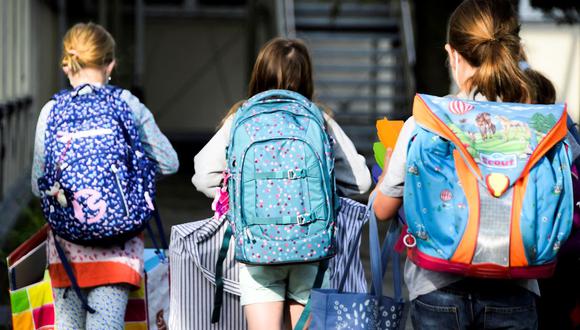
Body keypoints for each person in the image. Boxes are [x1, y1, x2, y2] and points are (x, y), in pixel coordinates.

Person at [372, 0, 580, 329]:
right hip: (516, 286)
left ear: (453, 55)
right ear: (514, 50)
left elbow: (381, 210)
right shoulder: (546, 126)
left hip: (437, 287)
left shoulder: (426, 123)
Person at [192, 37, 371, 330]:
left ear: (259, 73)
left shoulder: (240, 119)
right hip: (311, 247)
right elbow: (361, 182)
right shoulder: (320, 120)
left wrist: (237, 197)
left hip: (257, 248)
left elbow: (202, 174)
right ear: (307, 77)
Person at [31, 22, 179, 329]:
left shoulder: (51, 111)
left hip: (66, 248)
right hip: (118, 247)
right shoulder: (127, 105)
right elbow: (169, 162)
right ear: (110, 63)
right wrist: (129, 180)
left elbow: (37, 185)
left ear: (66, 64)